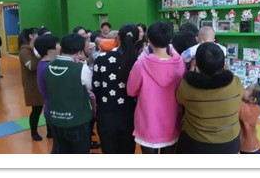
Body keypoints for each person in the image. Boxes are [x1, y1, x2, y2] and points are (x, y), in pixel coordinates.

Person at [127, 21, 185, 154]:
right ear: (170, 40)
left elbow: (131, 90)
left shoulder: (141, 64)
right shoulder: (179, 63)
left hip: (147, 123)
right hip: (172, 123)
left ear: (149, 40)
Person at [175, 42, 243, 154]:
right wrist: (227, 69)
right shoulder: (236, 83)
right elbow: (231, 77)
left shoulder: (187, 87)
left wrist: (191, 70)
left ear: (197, 64)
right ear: (223, 63)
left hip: (196, 143)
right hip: (229, 144)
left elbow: (179, 99)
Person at [94, 24, 140, 154]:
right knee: (128, 151)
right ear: (137, 40)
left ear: (118, 37)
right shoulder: (138, 61)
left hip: (106, 113)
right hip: (130, 114)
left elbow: (96, 86)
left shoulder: (102, 58)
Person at [46, 34, 94, 154]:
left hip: (56, 119)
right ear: (79, 52)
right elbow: (90, 86)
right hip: (77, 120)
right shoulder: (81, 68)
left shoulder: (49, 66)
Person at [18, 28, 45, 141]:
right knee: (36, 109)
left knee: (42, 107)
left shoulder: (32, 49)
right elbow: (32, 66)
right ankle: (34, 132)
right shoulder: (25, 51)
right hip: (33, 85)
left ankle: (49, 132)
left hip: (39, 82)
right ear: (31, 36)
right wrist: (41, 55)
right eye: (36, 34)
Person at [35, 34, 61, 140]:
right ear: (50, 50)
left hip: (52, 110)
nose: (60, 46)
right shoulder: (48, 67)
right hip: (55, 112)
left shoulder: (46, 64)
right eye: (57, 44)